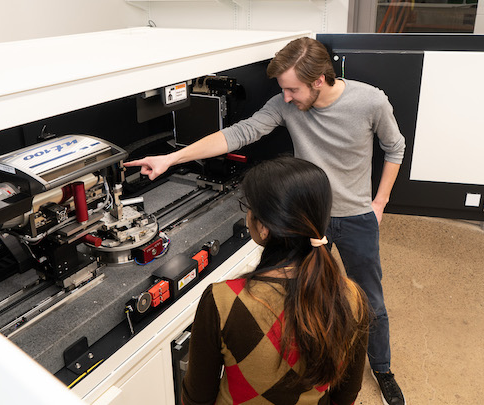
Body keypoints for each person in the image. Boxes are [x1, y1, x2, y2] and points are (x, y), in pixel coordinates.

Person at [125, 37, 406, 405]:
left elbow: (395, 147)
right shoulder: (285, 103)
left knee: (369, 301)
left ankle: (383, 369)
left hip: (355, 217)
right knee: (298, 293)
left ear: (320, 79)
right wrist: (170, 160)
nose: (286, 99)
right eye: (283, 90)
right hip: (305, 215)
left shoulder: (370, 101)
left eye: (292, 89)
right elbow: (239, 133)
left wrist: (379, 202)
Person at [182, 157, 370, 404]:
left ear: (264, 228)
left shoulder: (222, 301)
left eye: (248, 207)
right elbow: (346, 394)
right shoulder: (352, 297)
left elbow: (197, 397)